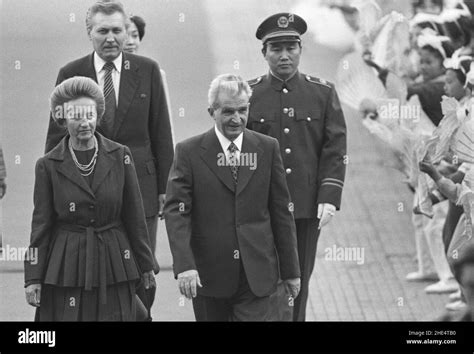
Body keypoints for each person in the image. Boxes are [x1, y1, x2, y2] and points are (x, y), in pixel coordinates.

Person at [43, 2, 174, 307]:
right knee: (93, 274)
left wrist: (167, 188)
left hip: (140, 190)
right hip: (85, 193)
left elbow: (161, 132)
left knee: (141, 270)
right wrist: (51, 187)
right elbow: (55, 137)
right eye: (103, 31)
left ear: (127, 31)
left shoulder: (147, 70)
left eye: (118, 30)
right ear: (89, 32)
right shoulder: (72, 73)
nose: (111, 37)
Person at [164, 74, 301, 321]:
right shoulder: (188, 152)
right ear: (212, 111)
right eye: (228, 111)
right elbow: (177, 212)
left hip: (257, 274)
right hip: (209, 275)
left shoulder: (268, 148)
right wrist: (185, 265)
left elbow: (281, 211)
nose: (236, 119)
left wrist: (291, 271)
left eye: (242, 110)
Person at [24, 77, 156, 321]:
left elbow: (135, 216)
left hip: (115, 261)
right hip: (67, 265)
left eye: (90, 115)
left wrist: (146, 264)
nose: (84, 123)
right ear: (62, 119)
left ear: (98, 115)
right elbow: (41, 226)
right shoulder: (47, 165)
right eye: (76, 117)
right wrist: (33, 278)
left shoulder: (120, 155)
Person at [247, 13, 347, 321]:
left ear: (301, 50)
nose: (284, 55)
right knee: (259, 278)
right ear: (264, 53)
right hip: (259, 206)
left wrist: (329, 196)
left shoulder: (322, 92)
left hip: (303, 206)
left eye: (291, 47)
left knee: (298, 278)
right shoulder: (248, 94)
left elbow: (335, 147)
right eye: (276, 49)